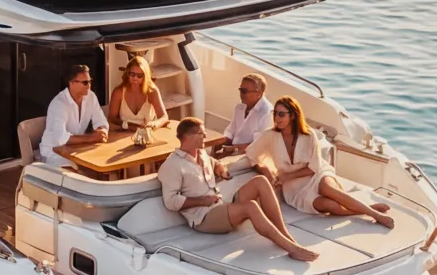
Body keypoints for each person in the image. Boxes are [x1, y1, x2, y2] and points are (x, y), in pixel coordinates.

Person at [158, 118, 318, 261]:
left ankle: (286, 235)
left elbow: (212, 162)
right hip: (203, 218)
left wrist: (219, 168)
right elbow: (171, 202)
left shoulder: (201, 154)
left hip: (220, 205)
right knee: (251, 207)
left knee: (260, 181)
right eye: (201, 133)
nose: (205, 136)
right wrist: (203, 201)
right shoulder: (172, 165)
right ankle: (291, 249)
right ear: (188, 137)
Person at [248, 95, 395, 227]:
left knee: (328, 189)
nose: (277, 118)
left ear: (292, 116)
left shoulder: (308, 135)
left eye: (281, 114)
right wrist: (264, 170)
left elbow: (314, 167)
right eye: (275, 114)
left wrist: (287, 176)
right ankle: (367, 208)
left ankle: (375, 215)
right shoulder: (270, 135)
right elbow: (252, 155)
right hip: (295, 189)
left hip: (317, 174)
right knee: (331, 206)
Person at [39, 64, 109, 169]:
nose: (89, 86)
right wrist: (91, 138)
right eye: (85, 83)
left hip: (77, 149)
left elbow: (101, 121)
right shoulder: (59, 103)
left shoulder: (91, 97)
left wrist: (102, 131)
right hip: (54, 152)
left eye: (90, 81)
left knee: (104, 163)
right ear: (71, 83)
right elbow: (61, 138)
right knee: (75, 174)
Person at [108, 54, 169, 132]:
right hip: (124, 132)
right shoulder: (118, 92)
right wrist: (127, 125)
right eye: (132, 74)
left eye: (139, 76)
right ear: (127, 73)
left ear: (145, 76)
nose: (135, 78)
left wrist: (153, 125)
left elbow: (164, 117)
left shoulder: (152, 91)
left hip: (146, 133)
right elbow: (111, 118)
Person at [215, 72, 271, 155]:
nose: (241, 94)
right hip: (233, 150)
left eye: (244, 91)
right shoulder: (240, 106)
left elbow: (259, 146)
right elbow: (231, 130)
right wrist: (220, 142)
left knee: (217, 166)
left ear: (259, 94)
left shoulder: (267, 113)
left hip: (250, 156)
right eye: (241, 90)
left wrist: (233, 149)